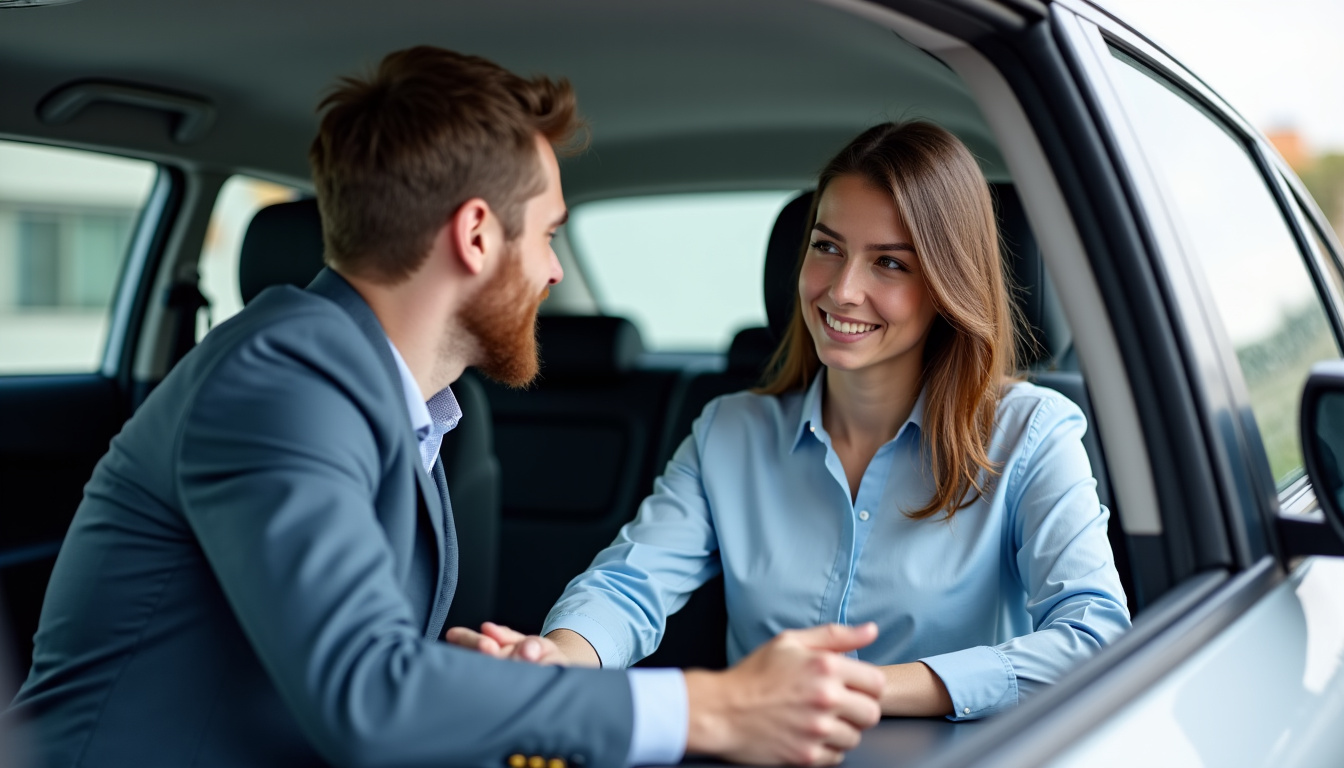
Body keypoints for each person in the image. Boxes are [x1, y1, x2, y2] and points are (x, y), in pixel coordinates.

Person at [3, 46, 889, 768]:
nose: (554, 272)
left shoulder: (394, 401)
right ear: (474, 235)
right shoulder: (281, 380)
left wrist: (488, 688)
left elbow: (370, 680)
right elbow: (369, 696)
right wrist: (715, 708)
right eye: (548, 235)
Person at [448, 121, 1132, 721]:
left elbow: (1094, 637)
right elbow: (630, 585)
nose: (842, 290)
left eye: (889, 263)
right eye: (827, 247)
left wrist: (866, 689)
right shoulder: (731, 432)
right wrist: (557, 658)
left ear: (947, 285)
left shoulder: (1031, 434)